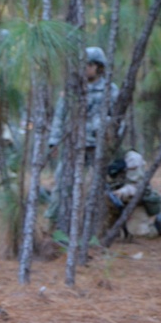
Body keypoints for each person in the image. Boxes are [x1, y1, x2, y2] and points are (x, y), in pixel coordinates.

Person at [45, 46, 120, 227]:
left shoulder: (110, 89)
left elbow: (118, 117)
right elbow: (60, 116)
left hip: (97, 148)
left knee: (96, 188)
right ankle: (53, 224)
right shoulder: (72, 89)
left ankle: (96, 226)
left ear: (98, 67)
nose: (85, 68)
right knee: (62, 184)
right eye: (83, 65)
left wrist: (109, 134)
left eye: (89, 65)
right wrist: (54, 142)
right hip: (74, 146)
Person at [106, 150, 161, 238]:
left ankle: (157, 227)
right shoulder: (100, 153)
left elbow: (137, 185)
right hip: (114, 206)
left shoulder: (132, 158)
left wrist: (122, 192)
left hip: (135, 204)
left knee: (140, 234)